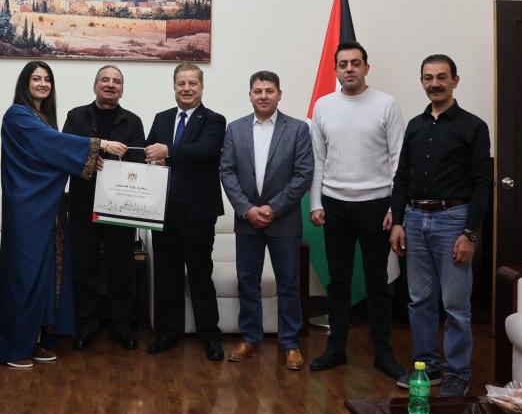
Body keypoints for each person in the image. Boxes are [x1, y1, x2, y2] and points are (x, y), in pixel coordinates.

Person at [0, 60, 128, 368]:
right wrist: (100, 145)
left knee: (44, 277)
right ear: (24, 83)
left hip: (46, 211)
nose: (42, 84)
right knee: (24, 276)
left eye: (47, 79)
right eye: (36, 78)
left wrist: (83, 160)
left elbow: (53, 154)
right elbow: (53, 145)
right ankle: (14, 348)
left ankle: (34, 340)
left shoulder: (43, 119)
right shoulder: (17, 115)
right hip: (26, 209)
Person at [389, 54, 492, 397]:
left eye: (441, 77)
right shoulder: (415, 126)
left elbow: (482, 184)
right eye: (428, 78)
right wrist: (398, 221)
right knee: (419, 300)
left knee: (455, 305)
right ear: (422, 82)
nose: (435, 84)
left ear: (455, 81)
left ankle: (458, 373)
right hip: (415, 219)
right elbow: (402, 178)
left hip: (453, 221)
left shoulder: (473, 127)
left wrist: (470, 233)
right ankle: (428, 367)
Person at [307, 42, 406, 380]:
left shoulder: (386, 105)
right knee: (338, 281)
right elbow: (318, 159)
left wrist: (394, 207)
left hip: (377, 207)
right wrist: (316, 202)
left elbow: (398, 160)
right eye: (343, 64)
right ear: (335, 69)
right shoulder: (323, 106)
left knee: (378, 282)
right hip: (335, 205)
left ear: (366, 67)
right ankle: (336, 348)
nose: (349, 68)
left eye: (355, 63)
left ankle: (383, 353)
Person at [219, 70, 313, 371]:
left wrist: (273, 208)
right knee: (248, 281)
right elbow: (227, 172)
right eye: (257, 91)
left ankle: (290, 343)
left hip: (283, 220)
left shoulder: (297, 129)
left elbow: (303, 174)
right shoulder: (235, 129)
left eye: (269, 91)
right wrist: (247, 209)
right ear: (250, 95)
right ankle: (250, 338)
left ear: (279, 94)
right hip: (247, 220)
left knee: (289, 283)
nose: (263, 96)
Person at [144, 62, 227, 361]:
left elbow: (206, 150)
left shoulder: (214, 120)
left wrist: (167, 152)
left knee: (201, 275)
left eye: (193, 83)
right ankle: (170, 332)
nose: (187, 88)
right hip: (164, 211)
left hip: (198, 213)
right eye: (181, 83)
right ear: (174, 86)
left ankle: (210, 334)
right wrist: (150, 159)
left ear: (202, 87)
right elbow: (148, 151)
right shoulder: (162, 118)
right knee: (167, 276)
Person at [62, 65, 146, 351]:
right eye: (105, 80)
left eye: (116, 81)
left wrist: (110, 162)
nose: (110, 84)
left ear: (122, 89)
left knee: (121, 269)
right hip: (83, 206)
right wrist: (92, 155)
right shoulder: (76, 117)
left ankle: (121, 326)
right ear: (95, 85)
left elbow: (138, 163)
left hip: (120, 208)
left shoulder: (133, 121)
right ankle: (86, 326)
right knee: (84, 267)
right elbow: (66, 153)